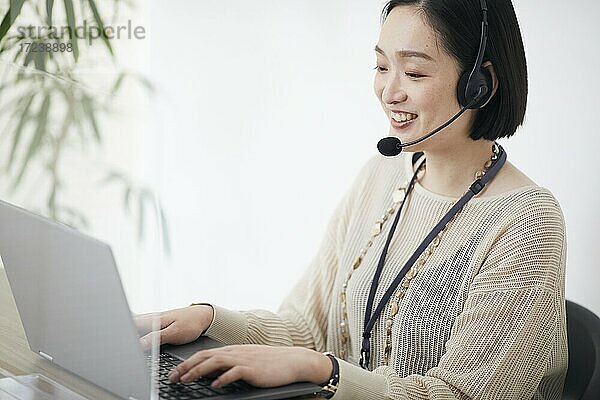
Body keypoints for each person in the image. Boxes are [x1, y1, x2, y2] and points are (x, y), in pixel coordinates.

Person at [135, 1, 568, 398]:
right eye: (381, 67)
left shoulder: (527, 222)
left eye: (414, 73)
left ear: (480, 86)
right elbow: (308, 329)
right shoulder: (384, 175)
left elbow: (464, 395)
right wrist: (211, 320)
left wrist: (327, 372)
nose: (389, 92)